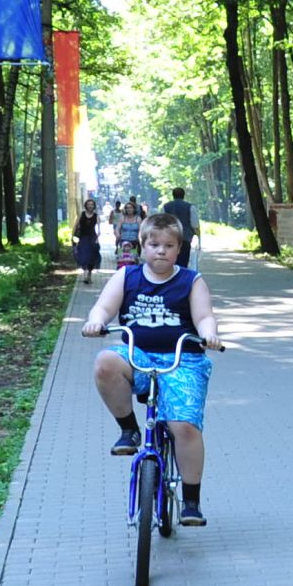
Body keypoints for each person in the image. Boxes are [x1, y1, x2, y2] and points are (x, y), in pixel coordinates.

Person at [81, 213, 223, 526]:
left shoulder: (190, 280)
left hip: (182, 360)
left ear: (178, 249)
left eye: (169, 245)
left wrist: (210, 332)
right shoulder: (127, 277)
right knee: (105, 362)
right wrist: (96, 321)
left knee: (183, 426)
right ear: (142, 245)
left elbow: (203, 316)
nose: (161, 251)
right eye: (154, 244)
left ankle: (191, 501)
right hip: (138, 355)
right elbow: (104, 307)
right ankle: (128, 430)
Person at [161, 187, 198, 269]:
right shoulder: (190, 207)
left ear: (173, 195)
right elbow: (194, 224)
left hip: (169, 238)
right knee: (183, 261)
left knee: (170, 260)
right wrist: (198, 237)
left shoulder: (166, 207)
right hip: (185, 238)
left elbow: (161, 223)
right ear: (183, 195)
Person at [72, 199, 102, 285]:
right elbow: (76, 225)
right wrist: (73, 236)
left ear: (94, 206)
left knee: (92, 256)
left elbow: (99, 229)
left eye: (92, 204)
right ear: (86, 205)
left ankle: (89, 274)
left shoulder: (96, 216)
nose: (90, 206)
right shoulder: (81, 214)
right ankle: (85, 275)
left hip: (92, 238)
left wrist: (97, 238)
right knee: (83, 255)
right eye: (89, 204)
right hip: (83, 238)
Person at [114, 200, 143, 267]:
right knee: (122, 261)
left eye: (130, 208)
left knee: (133, 261)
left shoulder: (138, 219)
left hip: (134, 242)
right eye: (127, 208)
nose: (129, 209)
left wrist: (140, 238)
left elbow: (141, 230)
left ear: (134, 209)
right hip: (123, 242)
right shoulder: (122, 218)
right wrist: (118, 235)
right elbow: (117, 228)